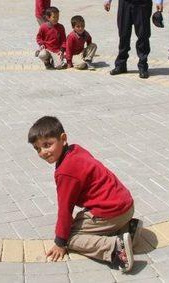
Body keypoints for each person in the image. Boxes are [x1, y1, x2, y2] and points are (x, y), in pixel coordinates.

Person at [28, 116, 142, 272]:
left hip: (111, 212)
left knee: (70, 236)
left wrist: (60, 242)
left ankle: (115, 248)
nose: (43, 152)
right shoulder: (75, 149)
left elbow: (65, 209)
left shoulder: (65, 172)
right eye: (37, 148)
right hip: (126, 206)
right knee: (78, 223)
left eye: (47, 145)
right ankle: (127, 229)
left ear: (63, 138)